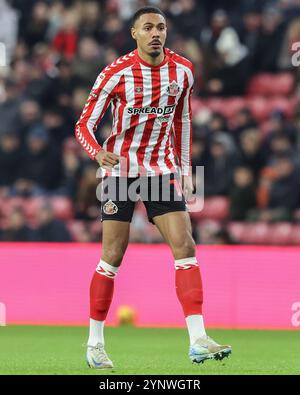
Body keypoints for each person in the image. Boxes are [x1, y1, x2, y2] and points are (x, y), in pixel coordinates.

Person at [75, 6, 231, 369]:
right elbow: (83, 124)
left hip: (160, 171)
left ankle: (198, 339)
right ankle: (95, 343)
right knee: (112, 255)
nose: (156, 33)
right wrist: (98, 153)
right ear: (135, 33)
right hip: (120, 172)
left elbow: (184, 119)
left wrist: (185, 166)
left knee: (186, 245)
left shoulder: (184, 71)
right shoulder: (116, 73)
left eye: (160, 27)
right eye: (148, 27)